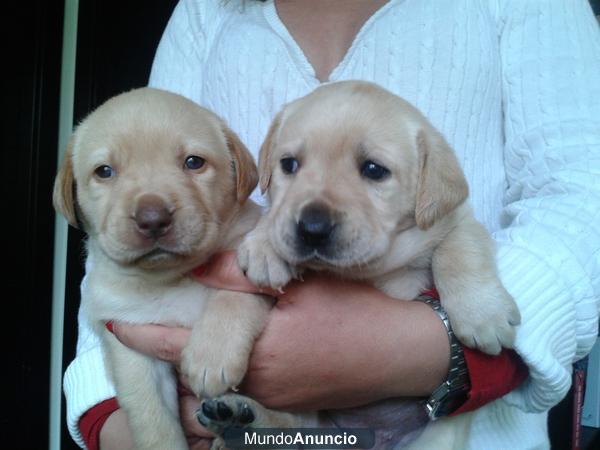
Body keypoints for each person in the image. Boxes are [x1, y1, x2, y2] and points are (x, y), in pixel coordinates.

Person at [63, 0, 600, 449]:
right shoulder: (207, 10)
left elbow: (581, 198)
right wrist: (115, 417)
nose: (312, 208)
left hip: (463, 419)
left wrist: (428, 351)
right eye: (289, 166)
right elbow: (124, 266)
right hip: (262, 426)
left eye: (373, 170)